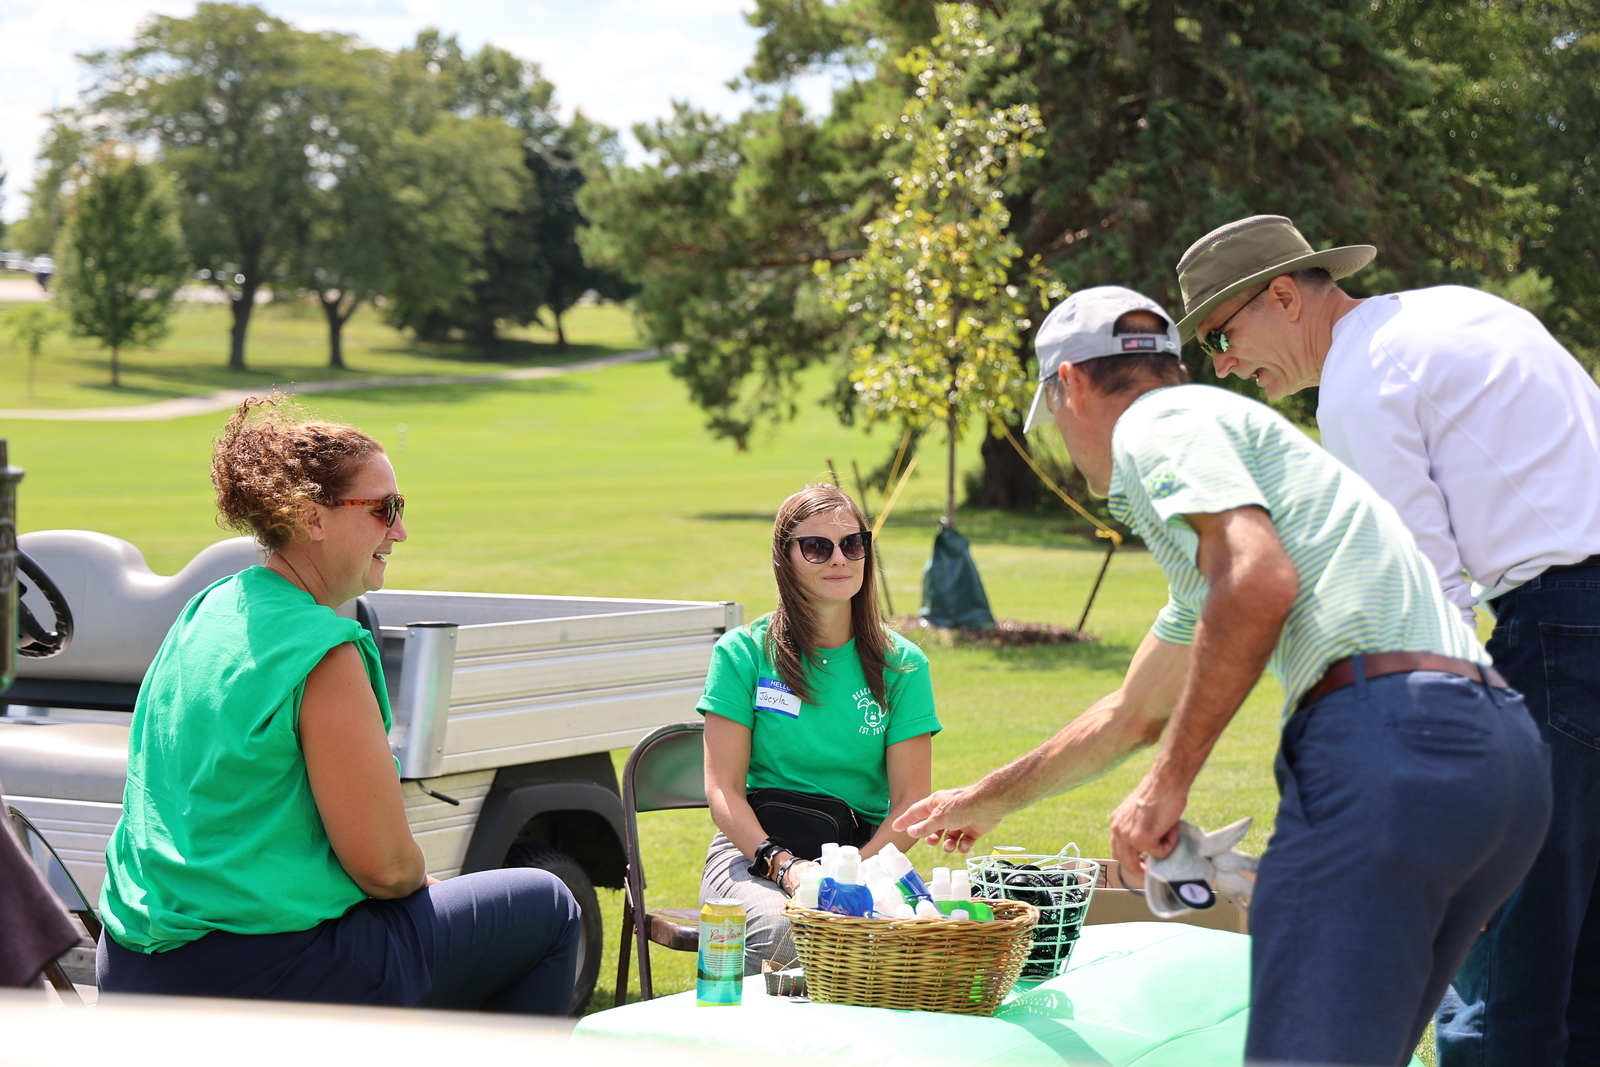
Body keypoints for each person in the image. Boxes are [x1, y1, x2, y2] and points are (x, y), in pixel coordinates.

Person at [894, 286, 1552, 1067]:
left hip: (1391, 740)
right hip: (1499, 760)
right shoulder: (1235, 469)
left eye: (1056, 415)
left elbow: (1258, 581)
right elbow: (1132, 712)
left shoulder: (1158, 423)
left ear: (1069, 384)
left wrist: (1165, 786)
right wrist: (987, 797)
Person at [1178, 214, 1600, 1066]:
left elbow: (1430, 606)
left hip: (1562, 632)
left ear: (1285, 296)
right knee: (1582, 966)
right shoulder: (1461, 311)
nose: (1222, 364)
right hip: (1577, 623)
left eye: (1221, 335)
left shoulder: (1359, 383)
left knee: (1500, 972)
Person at [96, 396, 581, 1014]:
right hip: (254, 974)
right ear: (311, 518)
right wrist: (416, 881)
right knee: (547, 905)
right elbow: (385, 869)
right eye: (384, 509)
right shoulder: (323, 651)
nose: (399, 531)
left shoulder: (210, 608)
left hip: (134, 965)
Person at [699, 484, 941, 973]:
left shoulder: (903, 665)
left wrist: (852, 876)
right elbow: (722, 788)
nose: (838, 559)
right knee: (789, 935)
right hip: (755, 854)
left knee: (922, 947)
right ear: (784, 557)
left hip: (865, 856)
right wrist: (784, 866)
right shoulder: (742, 653)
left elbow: (910, 801)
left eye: (852, 544)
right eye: (816, 547)